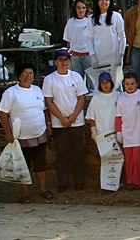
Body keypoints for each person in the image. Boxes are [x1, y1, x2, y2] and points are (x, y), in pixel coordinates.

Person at [0, 62, 53, 203]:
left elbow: (45, 109)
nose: (28, 76)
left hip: (39, 134)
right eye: (25, 73)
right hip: (21, 136)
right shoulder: (11, 93)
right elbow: (3, 113)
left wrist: (48, 125)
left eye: (31, 73)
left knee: (41, 164)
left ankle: (42, 189)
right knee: (23, 165)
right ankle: (25, 193)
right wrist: (8, 133)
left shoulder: (37, 90)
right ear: (19, 76)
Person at [42, 49, 89, 192]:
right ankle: (62, 182)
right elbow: (49, 102)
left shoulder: (76, 77)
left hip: (77, 122)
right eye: (60, 60)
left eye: (66, 59)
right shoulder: (49, 79)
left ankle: (79, 182)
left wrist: (74, 116)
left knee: (78, 154)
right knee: (61, 155)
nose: (63, 62)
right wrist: (62, 119)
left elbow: (82, 97)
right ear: (55, 62)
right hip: (59, 123)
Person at [115, 72, 140, 190]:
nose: (130, 86)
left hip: (139, 132)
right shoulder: (121, 97)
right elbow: (118, 116)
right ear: (124, 84)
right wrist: (118, 131)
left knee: (138, 158)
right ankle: (130, 180)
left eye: (132, 83)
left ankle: (138, 181)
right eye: (127, 84)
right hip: (126, 133)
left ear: (137, 83)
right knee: (128, 159)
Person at [86, 0, 126, 72]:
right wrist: (92, 56)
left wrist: (121, 55)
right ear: (97, 2)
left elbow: (122, 37)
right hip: (98, 59)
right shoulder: (91, 18)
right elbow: (89, 39)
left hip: (114, 58)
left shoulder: (116, 16)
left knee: (115, 83)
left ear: (110, 2)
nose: (104, 2)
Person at [63, 0, 91, 80]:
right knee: (77, 81)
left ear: (86, 9)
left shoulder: (90, 21)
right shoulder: (71, 22)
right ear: (75, 9)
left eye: (83, 8)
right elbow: (68, 40)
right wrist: (68, 54)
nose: (81, 10)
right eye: (78, 7)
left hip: (89, 56)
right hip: (75, 56)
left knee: (91, 83)